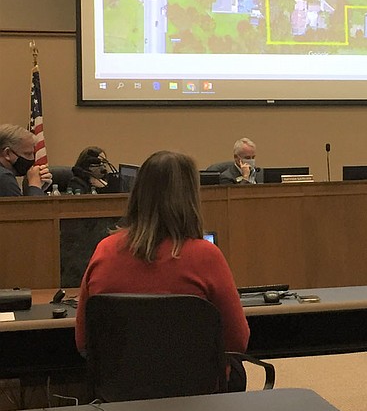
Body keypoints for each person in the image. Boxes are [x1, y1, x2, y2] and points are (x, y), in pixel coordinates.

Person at [75, 150, 250, 388]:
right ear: (191, 199)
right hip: (197, 397)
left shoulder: (105, 250)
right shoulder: (206, 255)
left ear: (137, 193)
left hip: (119, 395)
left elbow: (83, 341)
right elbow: (237, 341)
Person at [0, 123, 51, 197]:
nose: (32, 159)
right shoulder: (4, 178)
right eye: (28, 154)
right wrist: (35, 186)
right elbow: (29, 208)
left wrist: (32, 188)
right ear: (7, 153)